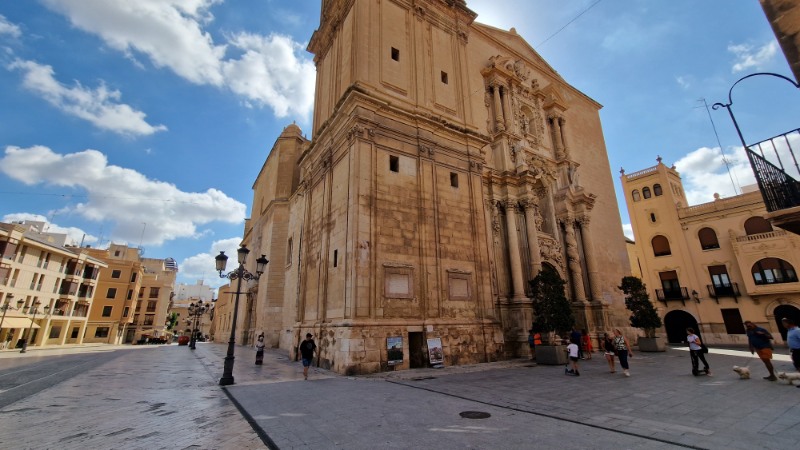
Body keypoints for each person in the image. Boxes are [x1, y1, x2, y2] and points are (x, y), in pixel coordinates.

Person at [783, 317, 800, 388]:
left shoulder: (797, 330)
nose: (783, 325)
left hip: (799, 350)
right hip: (794, 351)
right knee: (798, 366)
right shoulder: (789, 330)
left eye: (784, 323)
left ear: (788, 323)